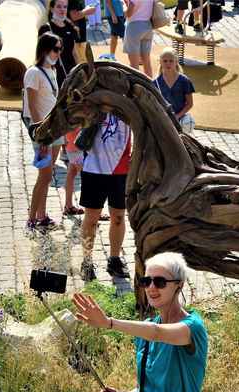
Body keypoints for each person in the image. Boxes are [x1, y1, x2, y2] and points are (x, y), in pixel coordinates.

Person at [72, 252, 208, 392]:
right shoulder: (144, 334)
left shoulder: (192, 327)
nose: (151, 288)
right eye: (146, 281)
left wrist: (108, 322)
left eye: (160, 282)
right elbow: (144, 390)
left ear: (179, 286)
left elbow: (157, 332)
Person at [76, 63, 132, 280]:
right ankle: (87, 262)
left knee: (118, 217)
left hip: (121, 168)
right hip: (94, 168)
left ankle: (114, 259)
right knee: (91, 217)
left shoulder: (128, 103)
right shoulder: (91, 101)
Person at [24, 33, 65, 232]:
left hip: (56, 130)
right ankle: (31, 219)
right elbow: (32, 106)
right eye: (55, 49)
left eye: (60, 49)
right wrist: (41, 135)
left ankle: (41, 216)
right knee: (44, 175)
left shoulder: (52, 70)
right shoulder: (34, 73)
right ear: (44, 50)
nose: (59, 53)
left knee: (48, 176)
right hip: (43, 132)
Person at [38, 0, 81, 87]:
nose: (62, 9)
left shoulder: (70, 27)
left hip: (71, 72)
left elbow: (74, 52)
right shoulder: (45, 28)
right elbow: (40, 53)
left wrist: (79, 69)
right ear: (51, 9)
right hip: (53, 73)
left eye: (64, 7)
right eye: (59, 6)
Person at [153, 48, 195, 131]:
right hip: (162, 121)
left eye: (171, 60)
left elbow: (190, 103)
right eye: (165, 61)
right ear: (160, 62)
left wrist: (177, 116)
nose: (168, 63)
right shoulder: (156, 82)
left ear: (176, 61)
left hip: (179, 122)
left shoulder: (184, 80)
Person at [124, 0, 156, 77]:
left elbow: (128, 14)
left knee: (134, 64)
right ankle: (150, 87)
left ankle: (137, 87)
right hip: (148, 25)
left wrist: (123, 5)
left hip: (134, 27)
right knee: (147, 63)